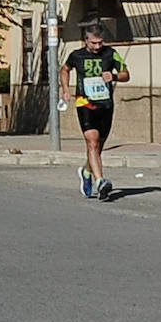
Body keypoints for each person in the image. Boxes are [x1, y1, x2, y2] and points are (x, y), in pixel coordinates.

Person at [59, 23, 130, 201]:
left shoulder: (111, 53)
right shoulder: (76, 55)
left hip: (105, 104)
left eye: (100, 42)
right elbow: (65, 70)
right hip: (85, 104)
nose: (97, 46)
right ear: (86, 41)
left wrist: (113, 76)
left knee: (99, 146)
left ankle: (86, 171)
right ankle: (100, 182)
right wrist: (66, 89)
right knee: (92, 142)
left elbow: (126, 74)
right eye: (93, 43)